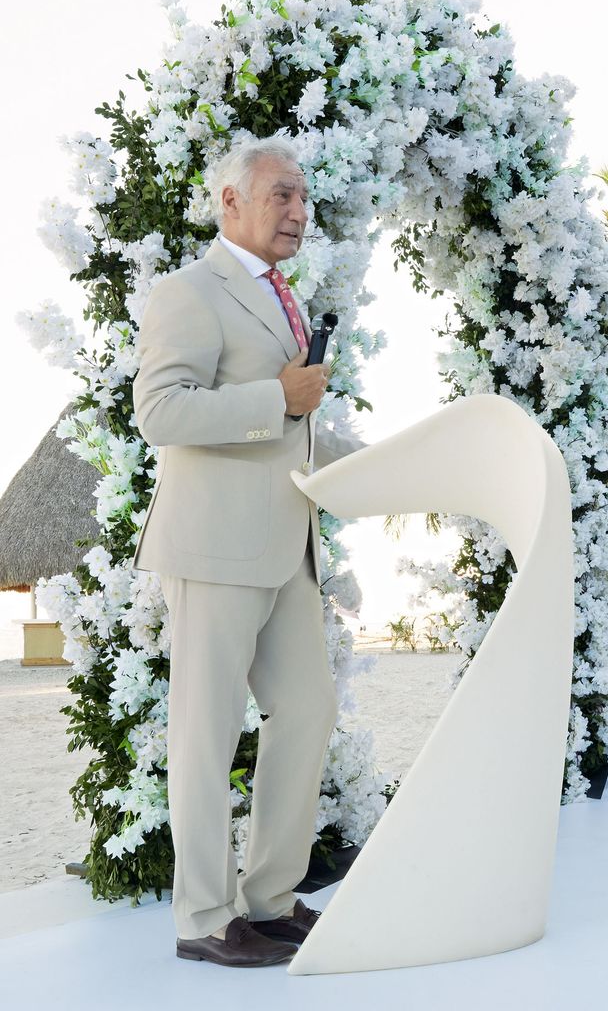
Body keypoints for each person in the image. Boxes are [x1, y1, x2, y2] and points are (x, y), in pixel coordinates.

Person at [133, 136, 359, 967]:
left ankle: (267, 900)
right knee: (206, 731)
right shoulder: (189, 292)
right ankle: (202, 917)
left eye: (303, 198)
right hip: (214, 550)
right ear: (230, 201)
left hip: (288, 550)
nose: (299, 212)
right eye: (281, 196)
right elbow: (162, 412)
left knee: (307, 711)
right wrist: (278, 396)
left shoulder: (283, 295)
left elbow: (289, 428)